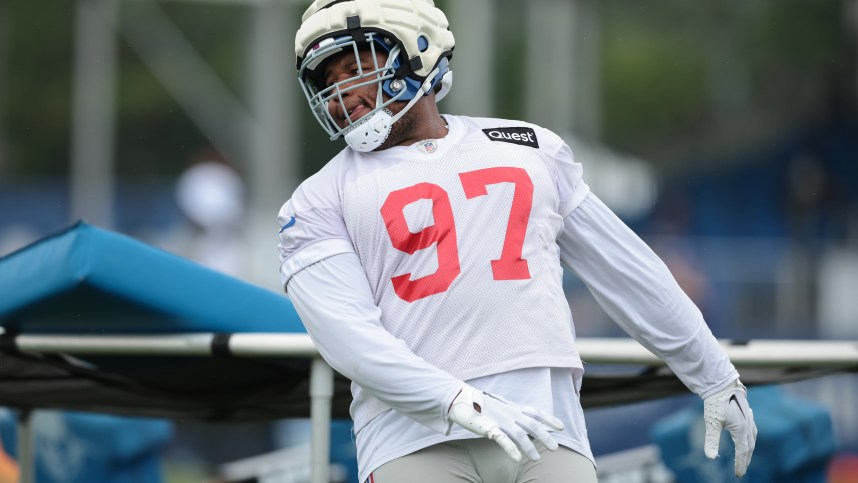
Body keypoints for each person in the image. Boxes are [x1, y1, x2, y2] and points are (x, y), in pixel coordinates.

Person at [277, 1, 757, 481]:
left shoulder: (530, 147)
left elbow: (625, 269)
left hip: (546, 426)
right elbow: (349, 338)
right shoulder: (317, 200)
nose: (340, 93)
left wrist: (714, 374)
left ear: (416, 50)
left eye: (356, 67)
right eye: (326, 81)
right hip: (412, 439)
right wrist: (453, 399)